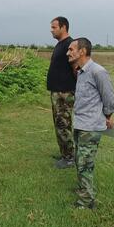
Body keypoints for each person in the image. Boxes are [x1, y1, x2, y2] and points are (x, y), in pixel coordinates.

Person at [67, 37, 114, 209]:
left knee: (85, 164)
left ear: (82, 51)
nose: (68, 52)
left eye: (71, 49)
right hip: (80, 123)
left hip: (91, 127)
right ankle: (84, 190)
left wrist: (108, 116)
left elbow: (109, 98)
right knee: (79, 160)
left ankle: (86, 202)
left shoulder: (98, 71)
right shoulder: (81, 71)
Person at [47, 16, 76, 169]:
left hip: (64, 93)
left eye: (54, 27)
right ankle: (65, 152)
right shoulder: (60, 44)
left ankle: (70, 158)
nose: (51, 30)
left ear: (63, 27)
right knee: (59, 124)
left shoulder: (70, 44)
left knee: (63, 124)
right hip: (57, 92)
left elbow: (76, 68)